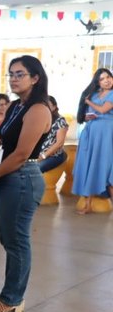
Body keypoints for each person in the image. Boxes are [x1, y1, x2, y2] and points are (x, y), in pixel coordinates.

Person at [0, 55, 51, 312]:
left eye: (20, 74)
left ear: (35, 78)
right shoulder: (14, 106)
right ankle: (12, 294)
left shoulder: (38, 109)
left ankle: (12, 298)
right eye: (11, 74)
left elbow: (22, 153)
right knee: (9, 238)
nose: (13, 78)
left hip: (23, 177)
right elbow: (0, 140)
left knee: (17, 241)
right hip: (8, 175)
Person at [72, 68, 113, 213]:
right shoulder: (94, 94)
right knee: (89, 165)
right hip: (91, 132)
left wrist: (88, 101)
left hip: (107, 134)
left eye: (108, 77)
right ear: (98, 82)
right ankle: (87, 205)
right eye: (102, 79)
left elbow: (103, 110)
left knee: (106, 166)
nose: (106, 80)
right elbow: (89, 112)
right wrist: (86, 116)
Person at [38, 96, 68, 173]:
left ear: (54, 107)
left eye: (48, 105)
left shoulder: (60, 121)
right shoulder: (40, 119)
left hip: (53, 156)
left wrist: (43, 156)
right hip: (38, 154)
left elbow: (59, 143)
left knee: (36, 169)